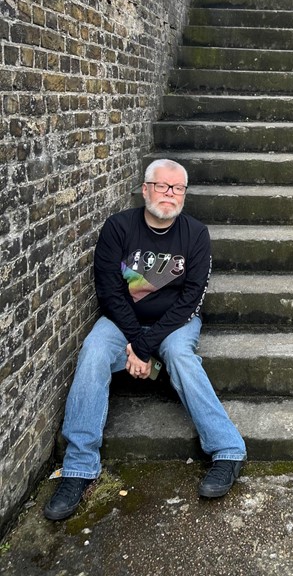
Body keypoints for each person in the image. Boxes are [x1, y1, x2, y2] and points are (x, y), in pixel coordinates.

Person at [44, 158, 246, 521]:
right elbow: (108, 292)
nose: (170, 194)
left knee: (181, 357)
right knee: (92, 351)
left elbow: (190, 300)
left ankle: (228, 450)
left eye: (178, 188)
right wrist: (138, 342)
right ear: (146, 189)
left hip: (176, 323)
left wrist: (145, 347)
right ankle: (79, 468)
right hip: (124, 321)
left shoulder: (196, 234)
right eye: (162, 186)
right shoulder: (118, 228)